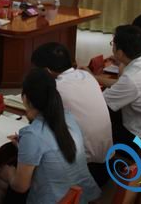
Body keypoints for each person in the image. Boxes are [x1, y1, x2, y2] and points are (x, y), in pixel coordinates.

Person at [0, 68, 100, 204]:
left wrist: (9, 174)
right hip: (83, 197)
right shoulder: (68, 117)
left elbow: (21, 186)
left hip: (56, 200)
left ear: (24, 98)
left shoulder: (32, 134)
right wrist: (25, 148)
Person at [31, 42, 112, 186]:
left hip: (85, 173)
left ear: (47, 71)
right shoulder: (87, 76)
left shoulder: (56, 89)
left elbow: (37, 123)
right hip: (107, 164)